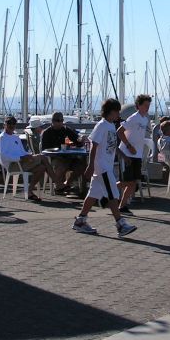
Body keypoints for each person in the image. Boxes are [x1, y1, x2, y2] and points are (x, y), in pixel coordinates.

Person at [72, 99, 137, 237]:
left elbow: (111, 146)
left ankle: (80, 220)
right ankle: (120, 223)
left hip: (104, 166)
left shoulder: (111, 126)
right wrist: (90, 165)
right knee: (112, 194)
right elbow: (93, 146)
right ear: (111, 112)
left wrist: (122, 155)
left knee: (93, 194)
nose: (118, 114)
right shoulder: (101, 126)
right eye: (117, 112)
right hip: (102, 167)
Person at [0, 116, 56, 201]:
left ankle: (29, 191)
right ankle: (57, 183)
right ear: (4, 125)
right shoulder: (2, 138)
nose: (11, 125)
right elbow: (4, 156)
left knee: (42, 167)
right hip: (13, 165)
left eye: (13, 123)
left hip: (22, 162)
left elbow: (22, 151)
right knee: (43, 157)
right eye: (9, 123)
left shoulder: (15, 137)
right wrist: (21, 158)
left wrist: (28, 155)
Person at [116, 95, 152, 214]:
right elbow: (119, 132)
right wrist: (128, 146)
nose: (147, 108)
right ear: (138, 106)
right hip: (127, 154)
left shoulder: (145, 119)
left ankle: (122, 205)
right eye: (145, 105)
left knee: (134, 182)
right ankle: (109, 188)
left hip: (137, 154)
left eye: (148, 105)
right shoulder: (133, 118)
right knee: (129, 181)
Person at [41, 112, 86, 193]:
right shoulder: (46, 133)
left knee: (82, 165)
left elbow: (77, 141)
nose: (60, 122)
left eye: (61, 120)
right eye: (57, 120)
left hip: (68, 156)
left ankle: (66, 184)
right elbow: (44, 150)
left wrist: (81, 140)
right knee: (60, 165)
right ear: (52, 121)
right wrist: (56, 151)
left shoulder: (66, 130)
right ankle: (58, 186)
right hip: (54, 158)